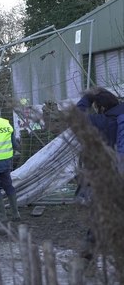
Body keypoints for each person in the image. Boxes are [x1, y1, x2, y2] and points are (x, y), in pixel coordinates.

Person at [75, 87, 124, 263]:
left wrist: (87, 97)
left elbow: (77, 117)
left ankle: (84, 262)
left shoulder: (103, 121)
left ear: (101, 107)